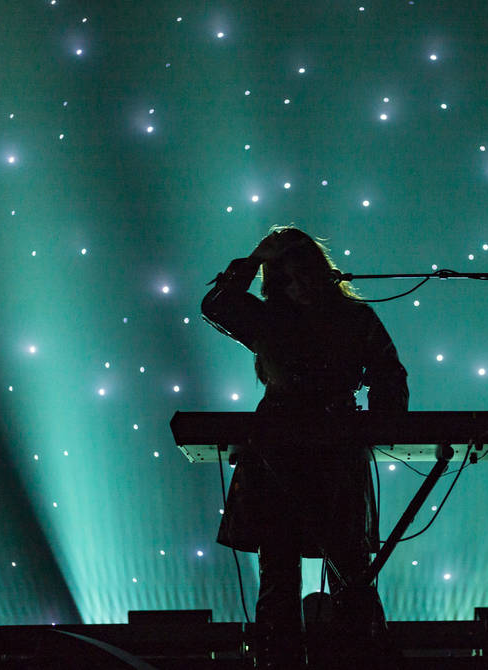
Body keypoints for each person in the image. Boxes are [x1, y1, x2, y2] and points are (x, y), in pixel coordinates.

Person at [201, 226, 408, 669]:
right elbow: (217, 305)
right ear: (277, 282)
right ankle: (279, 660)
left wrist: (378, 423)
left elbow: (390, 375)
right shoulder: (269, 318)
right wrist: (255, 256)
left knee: (349, 571)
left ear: (322, 274)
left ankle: (358, 658)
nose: (300, 287)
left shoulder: (355, 319)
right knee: (279, 572)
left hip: (332, 452)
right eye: (289, 279)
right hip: (279, 453)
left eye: (306, 276)